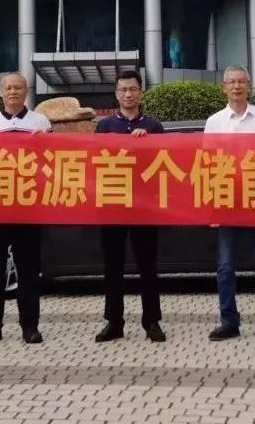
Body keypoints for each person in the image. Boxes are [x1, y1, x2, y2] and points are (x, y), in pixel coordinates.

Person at [0, 72, 52, 345]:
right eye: (9, 88)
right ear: (1, 92)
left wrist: (48, 142)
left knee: (29, 269)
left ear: (26, 92)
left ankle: (30, 326)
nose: (13, 92)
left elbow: (52, 163)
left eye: (18, 87)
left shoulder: (40, 122)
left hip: (29, 207)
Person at [203, 65, 255, 343]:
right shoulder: (215, 122)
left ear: (249, 87)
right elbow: (208, 165)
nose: (237, 86)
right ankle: (229, 321)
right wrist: (212, 206)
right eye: (232, 82)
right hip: (227, 201)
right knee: (225, 267)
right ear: (224, 88)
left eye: (242, 82)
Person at [94, 69, 166, 343]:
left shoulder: (153, 126)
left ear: (141, 92)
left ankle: (152, 321)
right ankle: (114, 322)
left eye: (133, 89)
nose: (128, 94)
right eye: (123, 89)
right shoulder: (104, 127)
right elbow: (93, 164)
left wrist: (147, 144)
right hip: (112, 204)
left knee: (148, 266)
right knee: (112, 267)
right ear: (116, 94)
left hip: (144, 206)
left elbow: (166, 164)